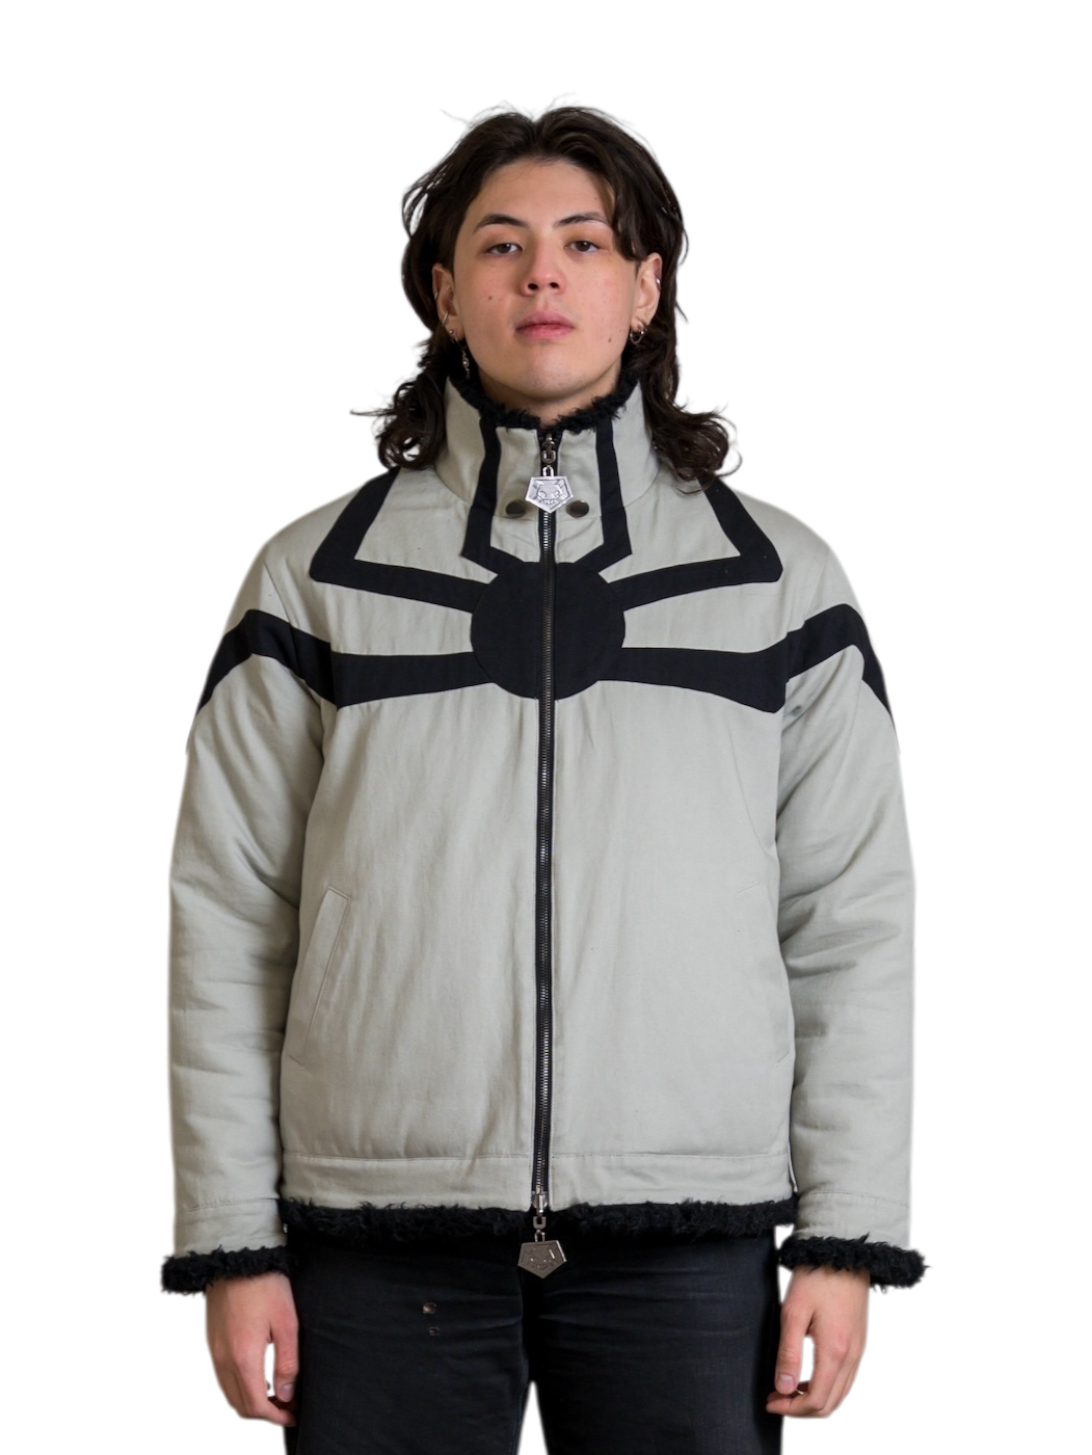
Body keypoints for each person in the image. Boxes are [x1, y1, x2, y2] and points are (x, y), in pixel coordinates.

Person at [161, 97, 926, 1453]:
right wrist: (232, 1239)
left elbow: (851, 927)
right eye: (501, 244)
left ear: (646, 288)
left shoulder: (782, 582)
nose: (542, 275)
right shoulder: (310, 577)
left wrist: (844, 1235)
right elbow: (227, 918)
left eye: (584, 242)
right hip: (372, 1240)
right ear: (445, 293)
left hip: (696, 1243)